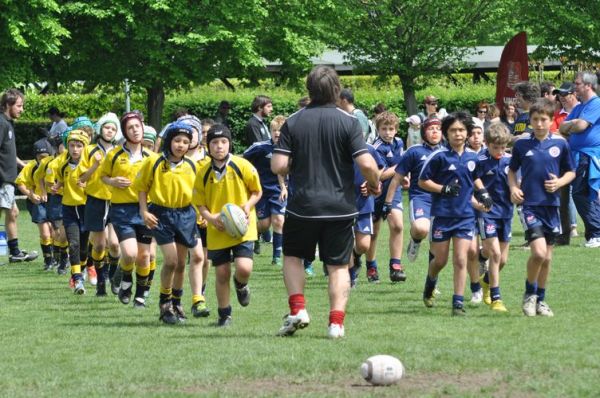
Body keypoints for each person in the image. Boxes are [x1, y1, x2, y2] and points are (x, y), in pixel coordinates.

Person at [272, 65, 381, 338]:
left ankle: (298, 308)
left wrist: (297, 163)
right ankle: (335, 324)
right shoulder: (348, 122)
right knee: (338, 266)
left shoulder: (293, 122)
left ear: (309, 89)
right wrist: (374, 183)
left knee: (293, 256)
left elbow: (279, 164)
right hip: (340, 208)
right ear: (336, 90)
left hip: (303, 207)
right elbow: (367, 163)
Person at [418, 112, 492, 316]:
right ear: (446, 134)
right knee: (440, 261)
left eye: (461, 130)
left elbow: (475, 177)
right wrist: (443, 189)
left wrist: (483, 193)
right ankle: (430, 284)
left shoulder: (472, 157)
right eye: (453, 130)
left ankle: (457, 303)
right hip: (442, 216)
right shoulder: (439, 156)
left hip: (466, 216)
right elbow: (422, 181)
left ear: (467, 133)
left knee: (461, 259)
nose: (458, 134)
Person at [509, 99, 575, 316]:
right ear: (530, 120)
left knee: (547, 258)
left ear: (551, 121)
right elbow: (512, 171)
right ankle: (529, 294)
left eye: (543, 120)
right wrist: (513, 188)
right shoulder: (521, 144)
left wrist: (559, 183)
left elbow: (570, 172)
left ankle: (541, 300)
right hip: (530, 206)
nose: (538, 124)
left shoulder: (560, 144)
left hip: (551, 206)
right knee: (538, 253)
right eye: (535, 119)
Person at [194, 124, 262, 327]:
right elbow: (199, 203)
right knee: (222, 272)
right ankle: (224, 314)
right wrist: (210, 217)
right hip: (218, 229)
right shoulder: (203, 172)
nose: (219, 146)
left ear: (229, 144)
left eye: (223, 142)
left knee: (244, 268)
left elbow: (257, 192)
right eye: (214, 142)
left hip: (243, 228)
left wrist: (247, 207)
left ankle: (241, 285)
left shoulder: (242, 165)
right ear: (208, 146)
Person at [136, 122, 201, 324]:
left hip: (185, 215)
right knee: (171, 261)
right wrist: (144, 211)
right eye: (177, 140)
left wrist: (199, 213)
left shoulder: (192, 165)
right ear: (169, 141)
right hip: (161, 215)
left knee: (181, 263)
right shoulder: (154, 162)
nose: (181, 145)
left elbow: (198, 192)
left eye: (185, 142)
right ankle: (165, 304)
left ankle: (177, 302)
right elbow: (142, 188)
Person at [100, 112, 153, 308]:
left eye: (137, 126)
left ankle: (139, 297)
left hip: (145, 210)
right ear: (125, 131)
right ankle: (125, 280)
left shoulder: (151, 157)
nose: (135, 130)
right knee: (130, 254)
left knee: (145, 256)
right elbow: (103, 176)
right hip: (122, 211)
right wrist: (112, 181)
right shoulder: (114, 155)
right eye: (130, 127)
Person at [386, 117, 442, 265]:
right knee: (421, 228)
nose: (435, 131)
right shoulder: (414, 151)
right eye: (431, 128)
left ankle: (432, 285)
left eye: (438, 128)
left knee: (437, 245)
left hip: (442, 200)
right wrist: (388, 202)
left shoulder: (447, 152)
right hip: (420, 198)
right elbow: (397, 178)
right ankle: (415, 240)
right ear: (424, 132)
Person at [76, 112, 121, 296]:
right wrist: (94, 166)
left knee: (116, 245)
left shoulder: (119, 151)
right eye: (106, 127)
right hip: (95, 201)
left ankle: (112, 279)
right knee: (100, 245)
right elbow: (81, 177)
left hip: (116, 201)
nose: (109, 131)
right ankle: (101, 283)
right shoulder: (89, 150)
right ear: (100, 128)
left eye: (113, 128)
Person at [559, 72, 600, 248]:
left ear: (588, 85)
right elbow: (562, 127)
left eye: (577, 84)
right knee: (583, 193)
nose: (574, 87)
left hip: (587, 155)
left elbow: (582, 126)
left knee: (581, 192)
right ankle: (594, 233)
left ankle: (596, 233)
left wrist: (575, 124)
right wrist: (573, 123)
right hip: (576, 155)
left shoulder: (596, 104)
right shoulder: (579, 106)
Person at [476, 122, 514, 312]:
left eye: (502, 147)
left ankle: (486, 281)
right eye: (495, 147)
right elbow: (472, 181)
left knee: (503, 260)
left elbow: (516, 182)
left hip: (506, 213)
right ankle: (497, 297)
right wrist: (479, 199)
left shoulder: (510, 161)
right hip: (487, 213)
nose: (499, 151)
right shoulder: (480, 161)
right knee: (496, 254)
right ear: (487, 143)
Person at [243, 115, 288, 267]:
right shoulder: (260, 147)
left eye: (281, 131)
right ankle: (256, 235)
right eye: (275, 130)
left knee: (279, 221)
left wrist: (285, 187)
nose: (277, 133)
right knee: (264, 224)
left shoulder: (289, 149)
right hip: (261, 192)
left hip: (279, 191)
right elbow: (242, 161)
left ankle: (276, 256)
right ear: (270, 131)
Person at [0, 88, 38, 263]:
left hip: (8, 179)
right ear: (8, 105)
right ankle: (13, 252)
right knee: (11, 212)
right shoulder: (1, 123)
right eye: (19, 106)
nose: (22, 109)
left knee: (13, 212)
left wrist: (22, 164)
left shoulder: (8, 123)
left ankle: (14, 252)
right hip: (2, 180)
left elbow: (6, 151)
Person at [368, 111, 405, 283]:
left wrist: (405, 177)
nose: (388, 132)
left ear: (396, 130)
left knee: (397, 225)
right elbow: (379, 176)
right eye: (384, 129)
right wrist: (400, 167)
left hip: (394, 191)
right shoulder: (376, 148)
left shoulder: (399, 143)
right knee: (374, 233)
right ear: (378, 129)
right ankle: (371, 265)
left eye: (391, 129)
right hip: (376, 193)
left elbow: (402, 170)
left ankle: (395, 266)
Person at [56, 130, 90, 294]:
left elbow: (98, 185)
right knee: (74, 244)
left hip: (86, 209)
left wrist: (88, 186)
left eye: (79, 146)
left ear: (85, 147)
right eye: (72, 145)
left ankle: (81, 270)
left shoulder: (89, 166)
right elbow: (62, 180)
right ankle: (77, 279)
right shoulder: (63, 166)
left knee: (84, 248)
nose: (75, 149)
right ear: (67, 146)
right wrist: (57, 186)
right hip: (69, 209)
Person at [15, 140, 54, 271]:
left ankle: (59, 258)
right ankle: (48, 260)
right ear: (35, 156)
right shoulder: (31, 167)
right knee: (45, 233)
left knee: (55, 232)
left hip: (54, 202)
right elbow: (20, 183)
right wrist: (31, 195)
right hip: (38, 203)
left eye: (46, 157)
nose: (43, 160)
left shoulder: (55, 165)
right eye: (40, 157)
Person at [551, 82, 580, 244]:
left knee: (586, 195)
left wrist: (565, 132)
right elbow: (554, 134)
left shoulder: (583, 110)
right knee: (562, 200)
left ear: (573, 94)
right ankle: (565, 234)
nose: (561, 98)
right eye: (559, 95)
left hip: (582, 157)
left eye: (564, 94)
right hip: (562, 161)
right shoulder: (557, 114)